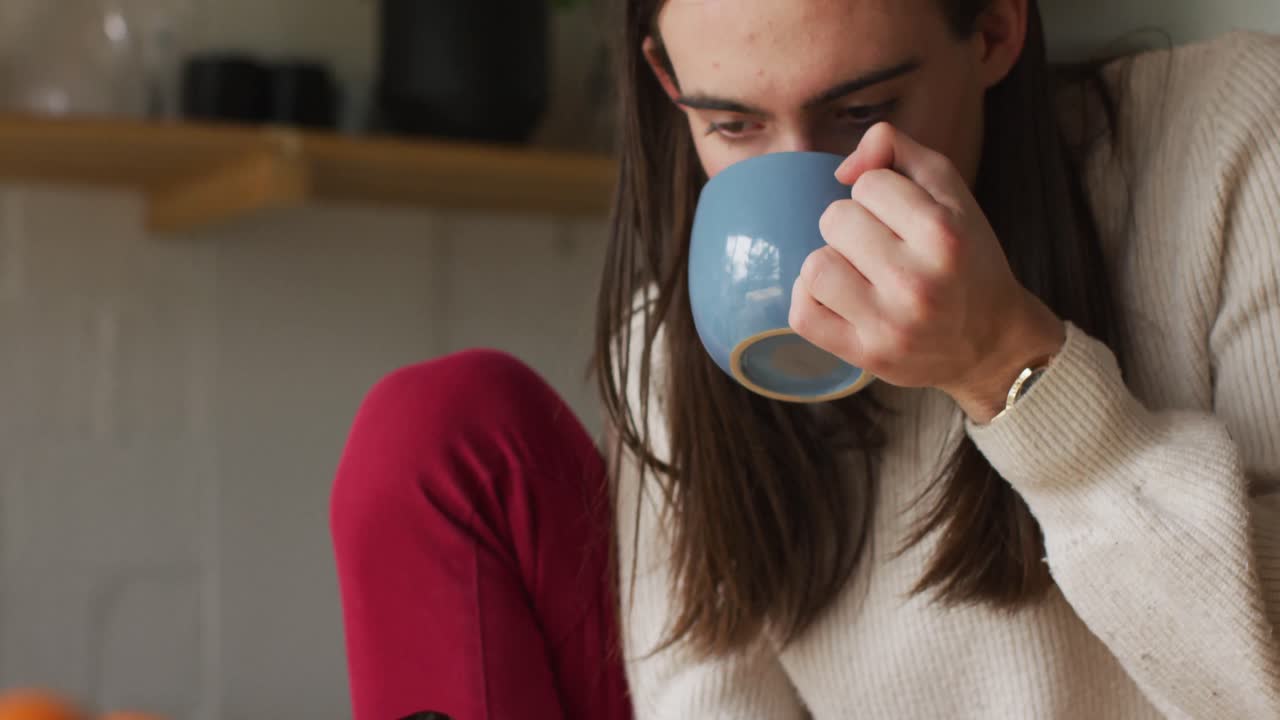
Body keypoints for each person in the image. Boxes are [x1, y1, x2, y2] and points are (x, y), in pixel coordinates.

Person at [330, 0, 1280, 717]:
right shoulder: (675, 354)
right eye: (732, 125)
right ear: (668, 81)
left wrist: (1006, 366)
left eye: (859, 110)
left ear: (994, 27)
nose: (812, 195)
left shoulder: (1231, 144)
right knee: (433, 431)